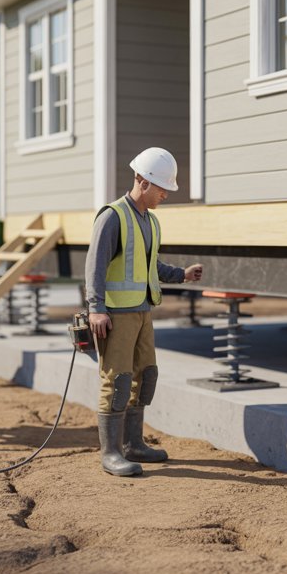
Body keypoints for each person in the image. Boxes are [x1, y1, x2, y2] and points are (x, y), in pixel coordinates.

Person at [86, 147, 203, 476]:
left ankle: (132, 444)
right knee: (118, 380)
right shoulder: (113, 216)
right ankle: (110, 453)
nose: (166, 194)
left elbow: (150, 266)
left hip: (142, 313)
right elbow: (94, 266)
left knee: (145, 376)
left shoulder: (150, 221)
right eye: (162, 187)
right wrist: (96, 309)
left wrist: (181, 274)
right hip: (116, 316)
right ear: (142, 181)